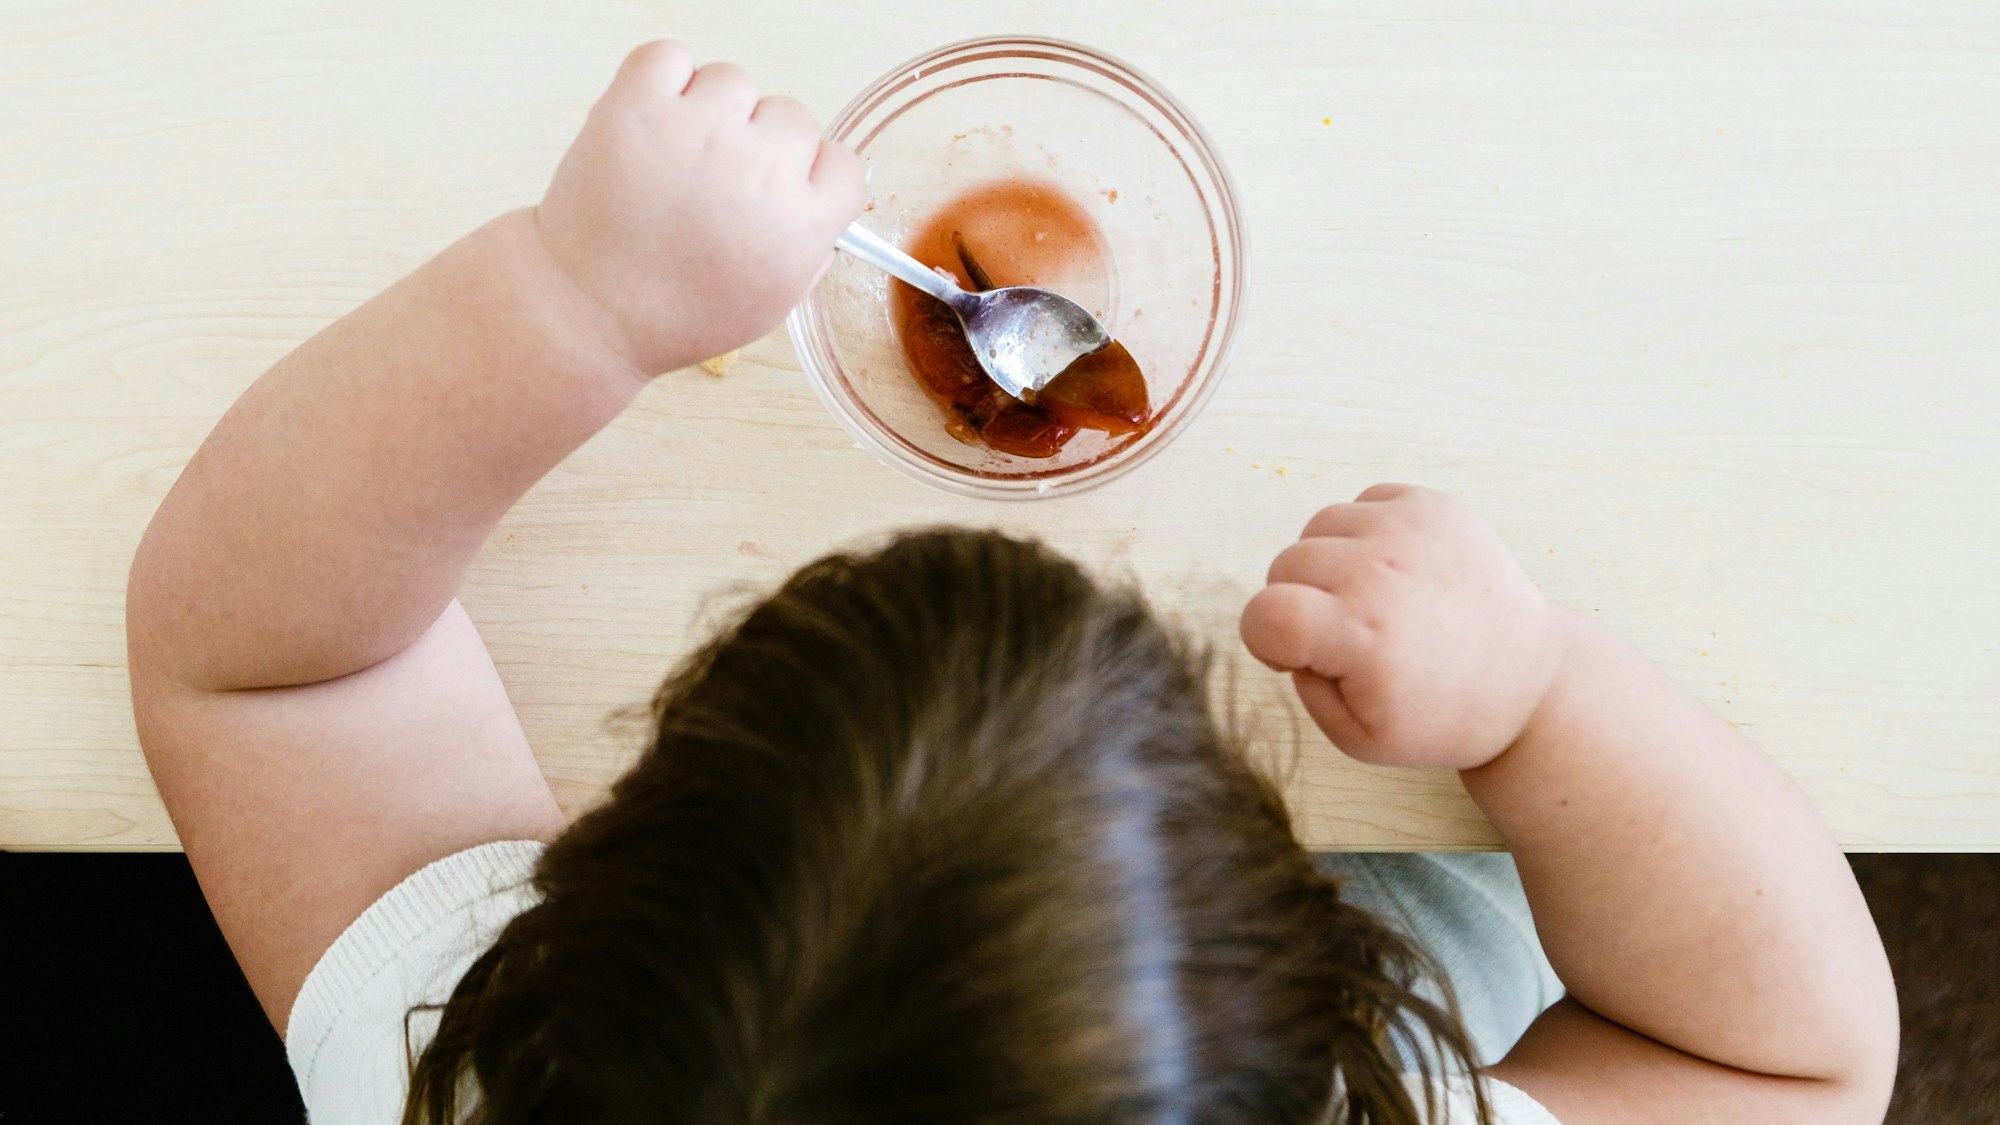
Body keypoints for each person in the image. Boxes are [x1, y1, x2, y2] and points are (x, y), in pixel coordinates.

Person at [125, 41, 1898, 1125]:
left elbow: (264, 668)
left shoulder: (458, 1075)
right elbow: (1789, 1068)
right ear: (1317, 1001)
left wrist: (573, 301)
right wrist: (1536, 701)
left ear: (559, 932)